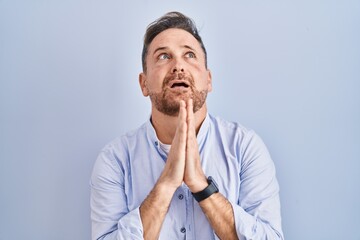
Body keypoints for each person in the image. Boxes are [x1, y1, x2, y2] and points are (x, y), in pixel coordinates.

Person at [90, 11, 284, 240]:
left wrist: (201, 185)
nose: (178, 66)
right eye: (163, 56)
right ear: (144, 84)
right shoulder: (115, 160)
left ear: (208, 80)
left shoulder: (245, 147)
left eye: (189, 55)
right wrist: (166, 184)